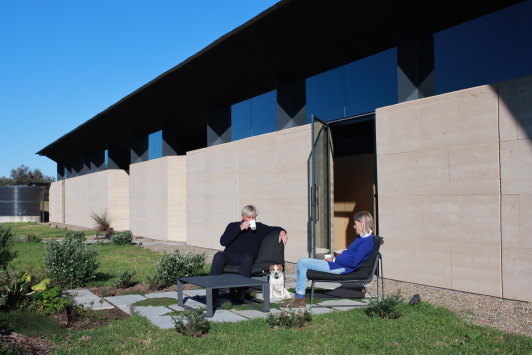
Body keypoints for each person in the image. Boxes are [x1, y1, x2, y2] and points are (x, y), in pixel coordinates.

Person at [282, 211, 375, 308]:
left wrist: (334, 260)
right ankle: (299, 297)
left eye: (355, 224)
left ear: (362, 224)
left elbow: (353, 262)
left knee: (302, 263)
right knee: (303, 263)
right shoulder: (361, 238)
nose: (354, 227)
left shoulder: (367, 242)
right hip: (338, 264)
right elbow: (350, 255)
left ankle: (299, 298)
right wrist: (335, 257)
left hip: (341, 268)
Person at [210, 205, 288, 278]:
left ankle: (241, 289)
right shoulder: (233, 225)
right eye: (249, 217)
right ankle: (212, 288)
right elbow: (223, 242)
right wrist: (239, 228)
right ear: (243, 216)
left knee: (247, 257)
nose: (251, 220)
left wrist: (282, 232)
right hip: (231, 256)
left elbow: (276, 228)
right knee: (219, 255)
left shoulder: (259, 227)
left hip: (247, 258)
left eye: (253, 217)